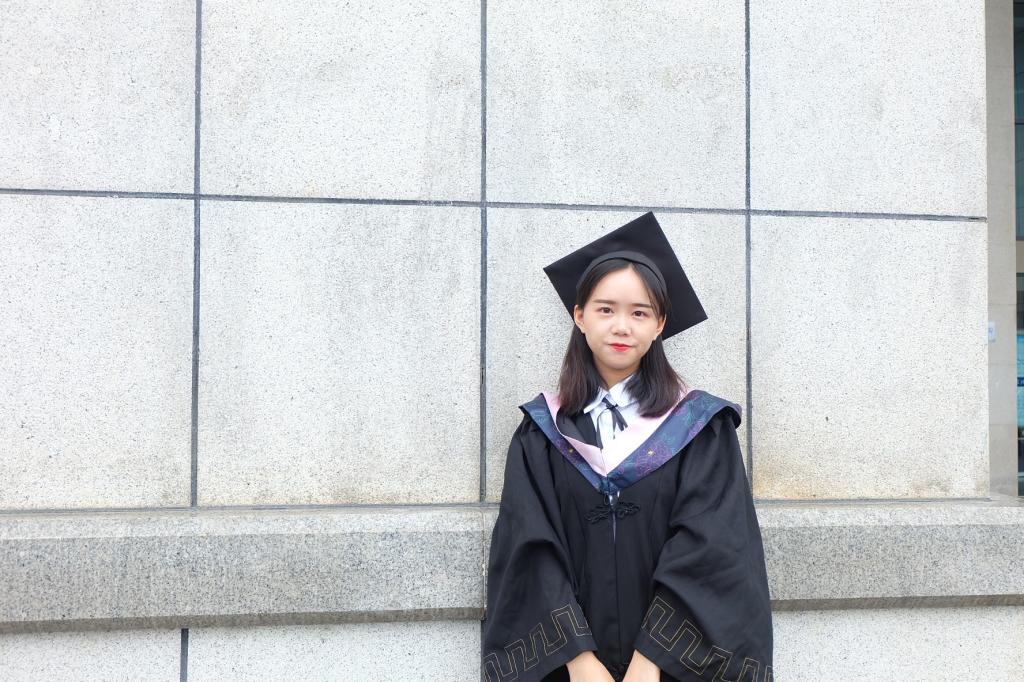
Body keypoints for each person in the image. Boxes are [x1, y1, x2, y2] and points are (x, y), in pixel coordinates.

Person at [480, 212, 773, 682]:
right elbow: (529, 548)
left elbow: (714, 548)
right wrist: (578, 660)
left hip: (669, 670)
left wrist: (652, 660)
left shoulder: (699, 428)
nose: (622, 326)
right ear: (579, 316)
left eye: (639, 313)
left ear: (660, 324)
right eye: (605, 309)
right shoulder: (542, 433)